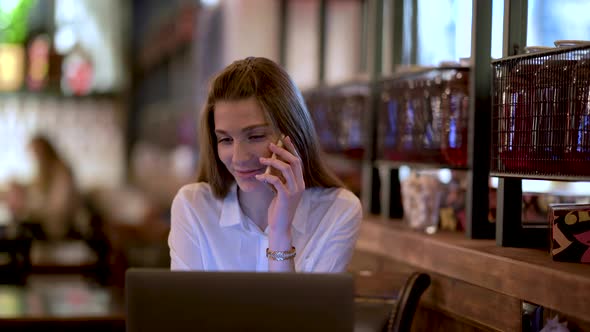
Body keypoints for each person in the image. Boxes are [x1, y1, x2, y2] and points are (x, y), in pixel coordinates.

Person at [169, 57, 362, 273]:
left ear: (293, 132)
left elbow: (297, 309)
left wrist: (280, 233)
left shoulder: (337, 211)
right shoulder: (193, 207)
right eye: (225, 140)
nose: (239, 158)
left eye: (256, 136)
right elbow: (185, 307)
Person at [16, 134, 86, 241]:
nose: (35, 158)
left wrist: (30, 208)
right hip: (47, 225)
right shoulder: (41, 173)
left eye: (37, 153)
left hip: (65, 228)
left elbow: (59, 208)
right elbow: (34, 195)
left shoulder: (62, 172)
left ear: (46, 151)